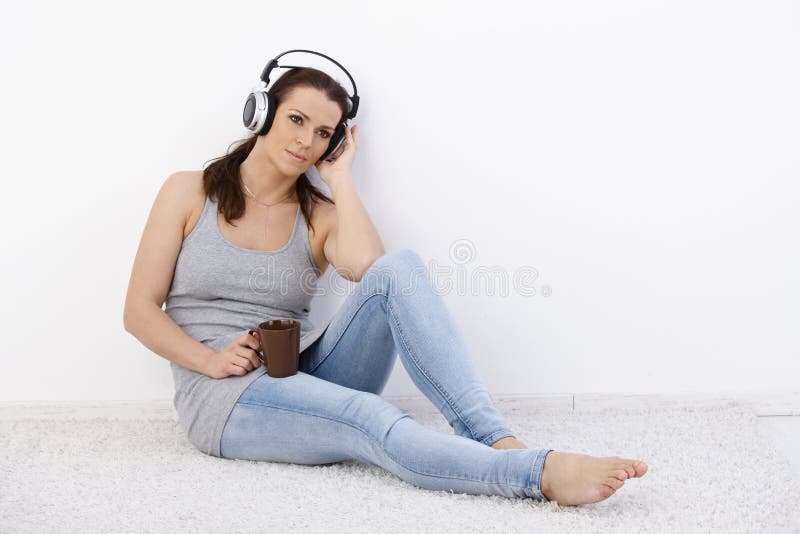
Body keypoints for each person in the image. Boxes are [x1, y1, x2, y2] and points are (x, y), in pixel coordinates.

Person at [123, 65, 648, 506]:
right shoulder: (188, 191)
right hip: (222, 396)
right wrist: (210, 360)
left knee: (400, 267)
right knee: (370, 417)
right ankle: (536, 474)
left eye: (323, 132)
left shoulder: (319, 215)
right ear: (261, 114)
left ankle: (498, 440)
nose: (306, 140)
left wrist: (341, 178)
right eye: (296, 119)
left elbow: (370, 270)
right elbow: (139, 311)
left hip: (297, 370)